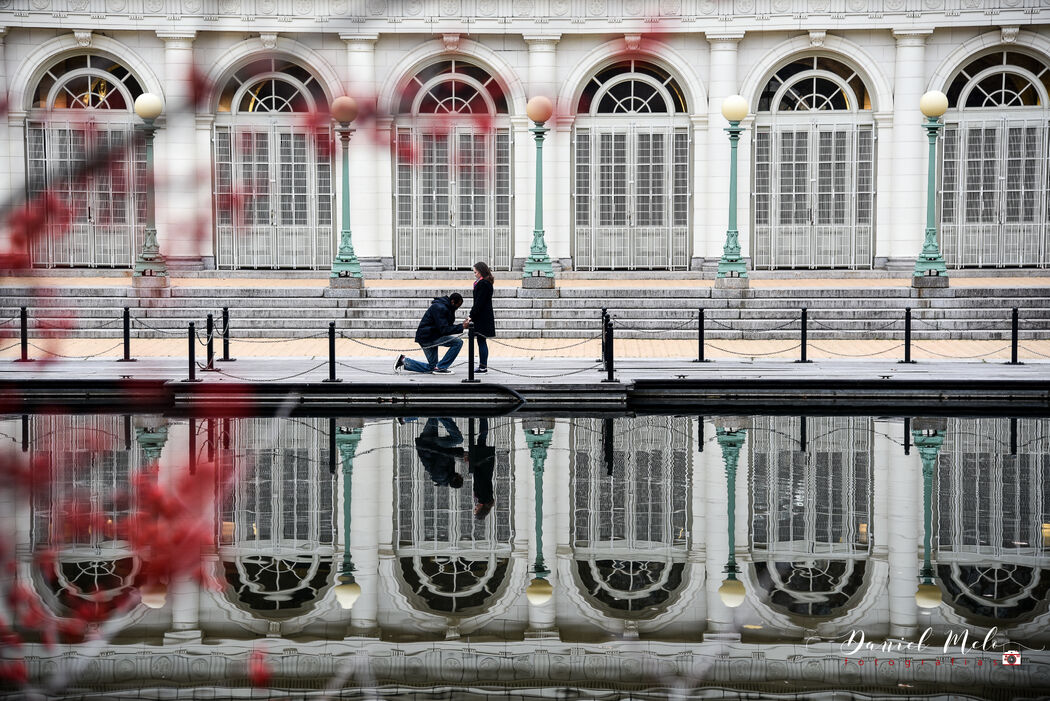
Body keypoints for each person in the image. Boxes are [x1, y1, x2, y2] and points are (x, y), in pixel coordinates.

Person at [395, 292, 469, 375]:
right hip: (429, 337)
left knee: (432, 367)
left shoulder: (446, 307)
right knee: (458, 342)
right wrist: (462, 326)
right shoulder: (440, 308)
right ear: (452, 302)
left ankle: (403, 361)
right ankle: (441, 367)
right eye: (458, 305)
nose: (458, 308)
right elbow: (444, 329)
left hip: (428, 336)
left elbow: (446, 326)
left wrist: (462, 325)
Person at [415, 417, 465, 489]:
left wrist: (461, 453)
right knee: (433, 415)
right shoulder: (448, 474)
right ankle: (438, 412)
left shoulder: (441, 476)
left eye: (460, 477)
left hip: (429, 445)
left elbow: (443, 455)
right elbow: (446, 454)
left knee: (458, 439)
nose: (460, 474)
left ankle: (443, 416)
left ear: (454, 479)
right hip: (427, 445)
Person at [468, 261, 496, 374]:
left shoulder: (483, 284)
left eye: (475, 272)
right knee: (481, 341)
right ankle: (482, 365)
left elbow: (478, 303)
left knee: (481, 341)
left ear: (480, 272)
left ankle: (483, 366)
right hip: (484, 316)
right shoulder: (485, 283)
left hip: (482, 317)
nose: (474, 274)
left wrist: (471, 315)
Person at [469, 418, 496, 520]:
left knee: (482, 439)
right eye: (476, 510)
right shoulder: (483, 497)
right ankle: (483, 417)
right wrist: (473, 466)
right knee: (482, 439)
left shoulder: (487, 499)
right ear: (480, 510)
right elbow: (480, 480)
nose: (475, 507)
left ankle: (483, 418)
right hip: (481, 465)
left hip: (485, 466)